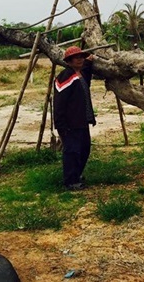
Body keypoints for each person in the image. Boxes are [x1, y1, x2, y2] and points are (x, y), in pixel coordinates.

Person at [53, 46, 96, 190]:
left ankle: (76, 175)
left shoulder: (80, 75)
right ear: (69, 61)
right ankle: (70, 181)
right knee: (72, 152)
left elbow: (86, 78)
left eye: (81, 57)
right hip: (70, 124)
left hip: (82, 121)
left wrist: (89, 63)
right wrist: (60, 125)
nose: (80, 59)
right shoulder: (65, 77)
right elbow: (59, 104)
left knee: (84, 149)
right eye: (76, 57)